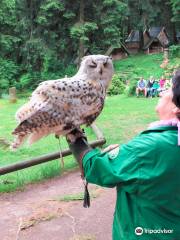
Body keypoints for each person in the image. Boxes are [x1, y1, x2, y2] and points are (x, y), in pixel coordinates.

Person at [66, 70, 180, 240]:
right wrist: (128, 154)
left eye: (170, 88)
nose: (163, 91)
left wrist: (74, 136)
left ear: (177, 107)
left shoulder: (150, 147)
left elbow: (95, 168)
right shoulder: (165, 141)